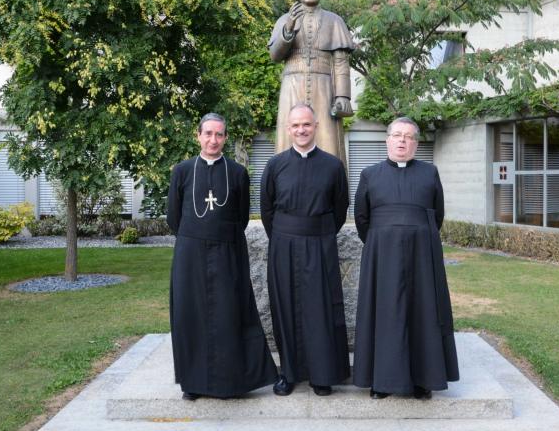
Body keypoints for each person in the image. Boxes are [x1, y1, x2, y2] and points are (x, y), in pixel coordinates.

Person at [167, 112, 278, 400]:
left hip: (228, 252)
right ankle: (193, 383)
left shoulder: (238, 173)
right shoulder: (182, 171)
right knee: (191, 314)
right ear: (198, 136)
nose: (213, 140)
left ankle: (231, 382)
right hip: (190, 254)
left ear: (225, 138)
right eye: (208, 134)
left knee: (229, 314)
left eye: (219, 134)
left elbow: (241, 217)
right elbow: (173, 218)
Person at [353, 116, 459, 400]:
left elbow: (436, 215)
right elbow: (362, 218)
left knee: (423, 312)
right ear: (387, 140)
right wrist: (381, 241)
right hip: (382, 256)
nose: (402, 141)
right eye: (397, 135)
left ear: (416, 143)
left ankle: (423, 379)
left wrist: (419, 237)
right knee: (384, 313)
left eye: (409, 136)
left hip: (422, 256)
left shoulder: (430, 173)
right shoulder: (369, 174)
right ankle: (381, 380)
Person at [260, 103, 350, 397]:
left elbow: (340, 208)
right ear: (289, 129)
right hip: (283, 244)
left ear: (316, 127)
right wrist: (284, 236)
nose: (301, 130)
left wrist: (319, 233)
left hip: (320, 243)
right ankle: (288, 373)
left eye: (307, 124)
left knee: (320, 308)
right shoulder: (275, 165)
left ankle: (322, 376)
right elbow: (267, 209)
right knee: (285, 307)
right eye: (296, 125)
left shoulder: (333, 166)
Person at [268, 0, 355, 164]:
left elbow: (341, 61)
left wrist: (342, 95)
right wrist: (288, 28)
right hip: (292, 84)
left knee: (327, 139)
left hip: (324, 87)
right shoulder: (284, 20)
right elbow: (275, 55)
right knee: (288, 138)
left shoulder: (334, 20)